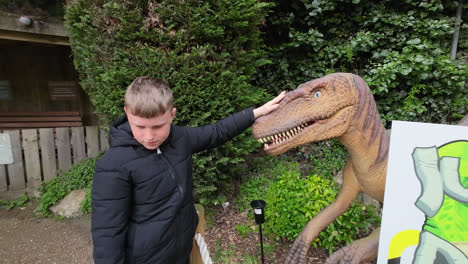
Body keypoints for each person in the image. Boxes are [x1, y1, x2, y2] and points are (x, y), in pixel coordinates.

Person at [91, 76, 285, 264]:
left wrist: (254, 114)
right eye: (139, 126)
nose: (149, 136)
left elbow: (216, 132)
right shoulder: (112, 165)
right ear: (127, 113)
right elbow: (107, 234)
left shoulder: (180, 139)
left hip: (181, 252)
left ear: (172, 115)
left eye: (158, 126)